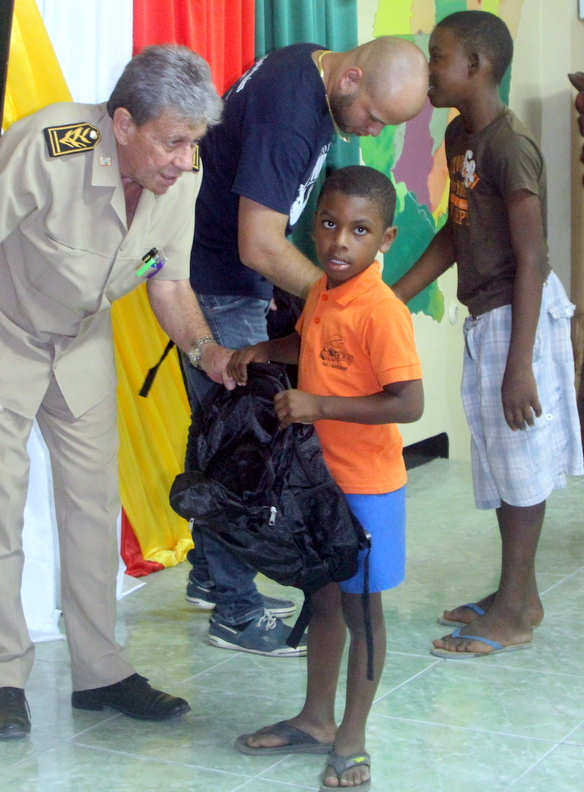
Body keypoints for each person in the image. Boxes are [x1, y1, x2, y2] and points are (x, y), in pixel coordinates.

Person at [0, 45, 236, 740]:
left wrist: (205, 349)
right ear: (121, 124)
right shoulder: (50, 144)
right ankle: (4, 676)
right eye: (172, 141)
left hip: (79, 341)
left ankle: (101, 672)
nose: (183, 160)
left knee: (93, 509)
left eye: (193, 144)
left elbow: (168, 281)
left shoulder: (180, 180)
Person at [182, 37, 430, 657]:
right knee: (245, 444)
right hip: (218, 281)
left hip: (230, 280)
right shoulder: (291, 115)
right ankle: (235, 611)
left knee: (225, 430)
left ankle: (214, 577)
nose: (370, 133)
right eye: (373, 116)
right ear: (350, 77)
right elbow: (259, 245)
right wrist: (338, 300)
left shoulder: (308, 63)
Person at [393, 10, 584, 658]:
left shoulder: (509, 144)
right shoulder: (458, 136)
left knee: (522, 465)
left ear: (477, 67)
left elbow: (532, 257)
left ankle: (513, 612)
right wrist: (398, 294)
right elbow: (457, 226)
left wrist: (520, 364)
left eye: (438, 57)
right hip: (488, 316)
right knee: (504, 464)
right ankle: (516, 594)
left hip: (517, 315)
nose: (428, 70)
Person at [227, 166, 424, 792]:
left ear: (385, 238)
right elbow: (313, 347)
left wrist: (318, 406)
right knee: (322, 599)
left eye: (359, 231)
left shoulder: (382, 311)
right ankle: (315, 719)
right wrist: (267, 351)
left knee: (363, 611)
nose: (341, 242)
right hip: (318, 482)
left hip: (367, 485)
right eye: (331, 224)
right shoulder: (324, 294)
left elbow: (408, 403)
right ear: (314, 225)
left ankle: (353, 738)